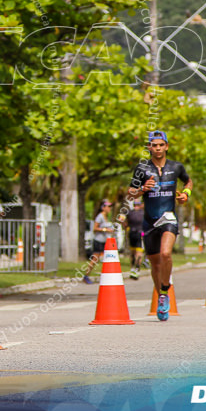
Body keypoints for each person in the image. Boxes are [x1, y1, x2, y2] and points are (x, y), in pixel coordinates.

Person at [127, 130, 192, 322]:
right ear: (149, 147)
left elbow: (188, 180)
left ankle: (166, 288)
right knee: (155, 264)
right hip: (149, 221)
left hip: (169, 218)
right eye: (153, 145)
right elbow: (130, 192)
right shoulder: (142, 169)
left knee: (165, 254)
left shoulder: (176, 166)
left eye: (160, 145)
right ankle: (161, 296)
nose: (157, 148)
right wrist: (141, 190)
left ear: (166, 146)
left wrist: (186, 193)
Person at [82, 201, 116, 284]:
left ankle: (106, 276)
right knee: (95, 259)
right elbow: (95, 228)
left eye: (110, 207)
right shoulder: (100, 216)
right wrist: (105, 229)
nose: (109, 209)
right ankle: (86, 275)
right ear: (103, 207)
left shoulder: (107, 217)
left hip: (105, 241)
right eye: (108, 207)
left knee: (107, 258)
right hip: (98, 241)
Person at [120, 198, 146, 279]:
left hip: (139, 234)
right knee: (133, 253)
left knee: (138, 253)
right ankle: (133, 269)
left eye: (138, 204)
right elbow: (123, 221)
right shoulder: (131, 213)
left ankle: (136, 269)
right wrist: (124, 224)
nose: (136, 206)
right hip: (132, 233)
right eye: (135, 204)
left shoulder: (143, 213)